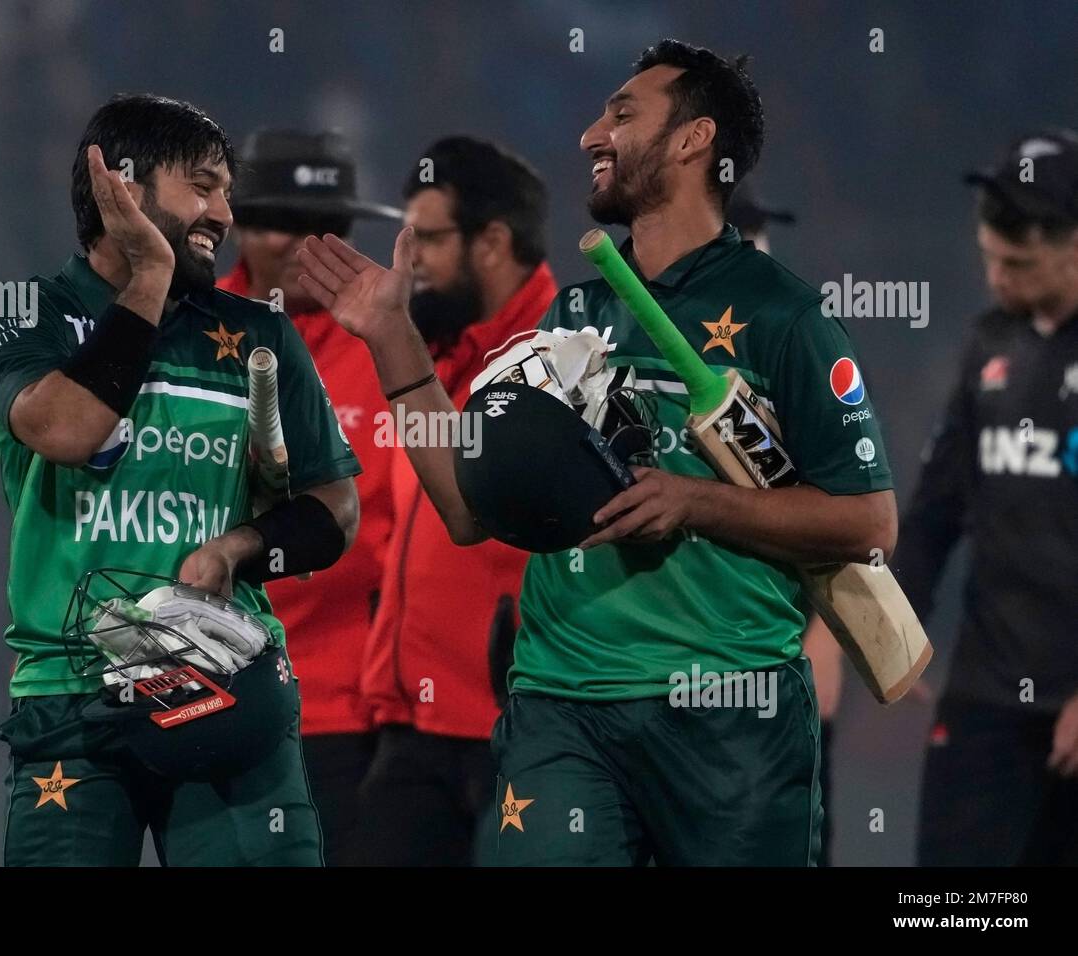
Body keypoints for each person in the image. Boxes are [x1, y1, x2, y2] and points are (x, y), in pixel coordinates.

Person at [299, 39, 898, 865]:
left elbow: (870, 523)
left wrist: (695, 501)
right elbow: (470, 511)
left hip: (731, 716)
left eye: (622, 114)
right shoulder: (574, 312)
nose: (590, 134)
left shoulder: (787, 318)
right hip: (562, 704)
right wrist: (394, 339)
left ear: (694, 141)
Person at [0, 94, 360, 866]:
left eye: (227, 189)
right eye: (203, 186)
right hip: (72, 693)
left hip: (224, 686)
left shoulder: (258, 333)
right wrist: (149, 272)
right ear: (121, 186)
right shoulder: (31, 319)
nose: (224, 209)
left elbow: (334, 510)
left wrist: (240, 547)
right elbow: (68, 430)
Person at [356, 136, 557, 865]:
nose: (412, 264)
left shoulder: (565, 355)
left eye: (431, 239)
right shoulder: (429, 354)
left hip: (520, 732)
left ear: (493, 242)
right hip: (410, 730)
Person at [218, 129, 401, 865]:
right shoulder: (182, 331)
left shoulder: (396, 347)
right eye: (280, 223)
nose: (304, 246)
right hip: (212, 695)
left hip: (349, 708)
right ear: (236, 223)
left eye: (325, 228)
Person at [903, 129, 1078, 866]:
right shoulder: (986, 346)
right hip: (985, 694)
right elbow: (937, 509)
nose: (999, 278)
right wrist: (894, 626)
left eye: (1020, 264)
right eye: (990, 260)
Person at [728, 180, 840, 867]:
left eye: (764, 242)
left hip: (781, 651)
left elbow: (850, 504)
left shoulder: (801, 357)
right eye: (746, 242)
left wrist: (828, 627)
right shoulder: (634, 358)